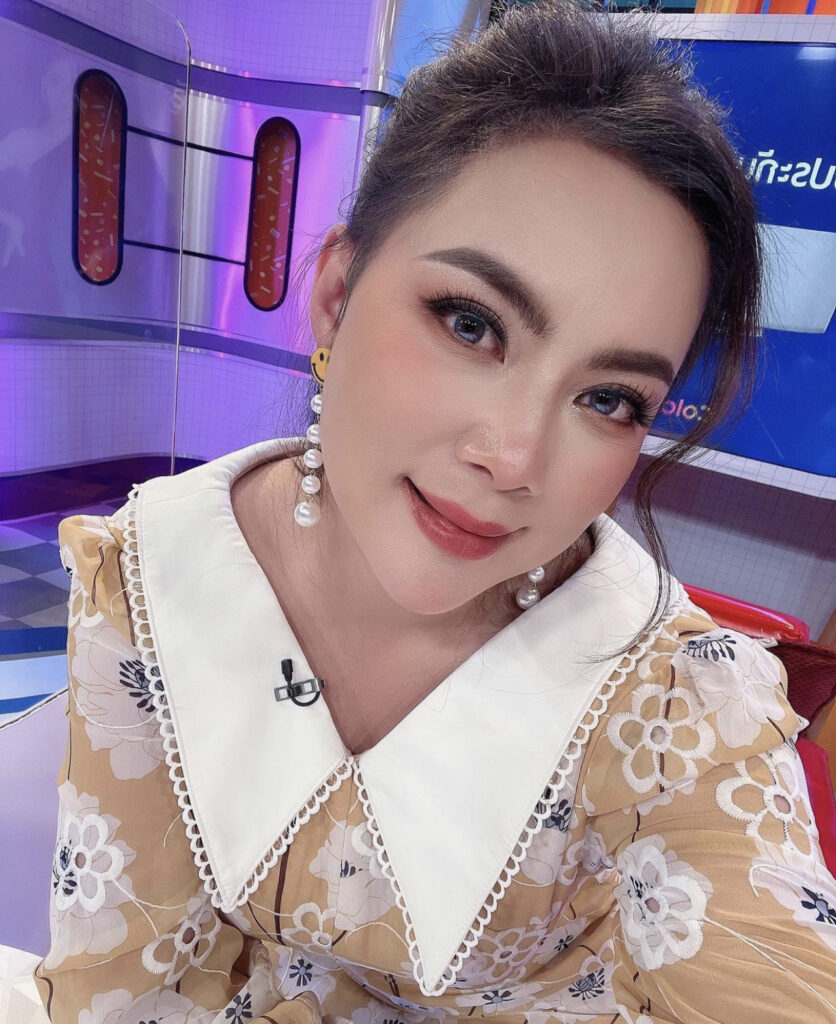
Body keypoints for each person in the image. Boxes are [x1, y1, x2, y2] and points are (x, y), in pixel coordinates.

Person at [34, 2, 836, 1021]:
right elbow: (127, 984)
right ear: (335, 295)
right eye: (470, 323)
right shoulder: (152, 569)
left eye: (608, 399)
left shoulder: (678, 701)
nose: (514, 459)